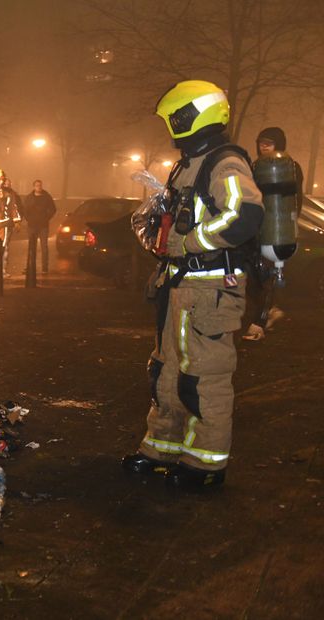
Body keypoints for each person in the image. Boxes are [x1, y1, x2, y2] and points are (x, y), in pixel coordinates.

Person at [122, 80, 264, 490]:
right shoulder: (189, 163)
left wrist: (189, 242)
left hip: (209, 290)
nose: (171, 125)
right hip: (182, 286)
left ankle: (205, 465)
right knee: (165, 370)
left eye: (175, 117)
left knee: (204, 376)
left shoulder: (224, 162)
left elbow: (244, 214)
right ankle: (162, 449)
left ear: (194, 116)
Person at [243, 126, 303, 341]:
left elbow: (296, 199)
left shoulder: (290, 167)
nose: (264, 145)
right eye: (261, 142)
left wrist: (288, 225)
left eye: (269, 142)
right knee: (252, 276)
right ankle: (270, 309)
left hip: (276, 231)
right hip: (257, 227)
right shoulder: (256, 166)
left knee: (267, 276)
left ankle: (259, 323)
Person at [22, 180, 57, 274]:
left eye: (40, 185)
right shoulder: (29, 197)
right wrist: (28, 219)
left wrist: (46, 218)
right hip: (32, 225)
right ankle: (30, 266)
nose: (38, 187)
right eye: (37, 185)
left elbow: (53, 209)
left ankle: (45, 268)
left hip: (43, 225)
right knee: (31, 247)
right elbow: (25, 209)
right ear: (34, 187)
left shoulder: (46, 197)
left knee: (44, 247)